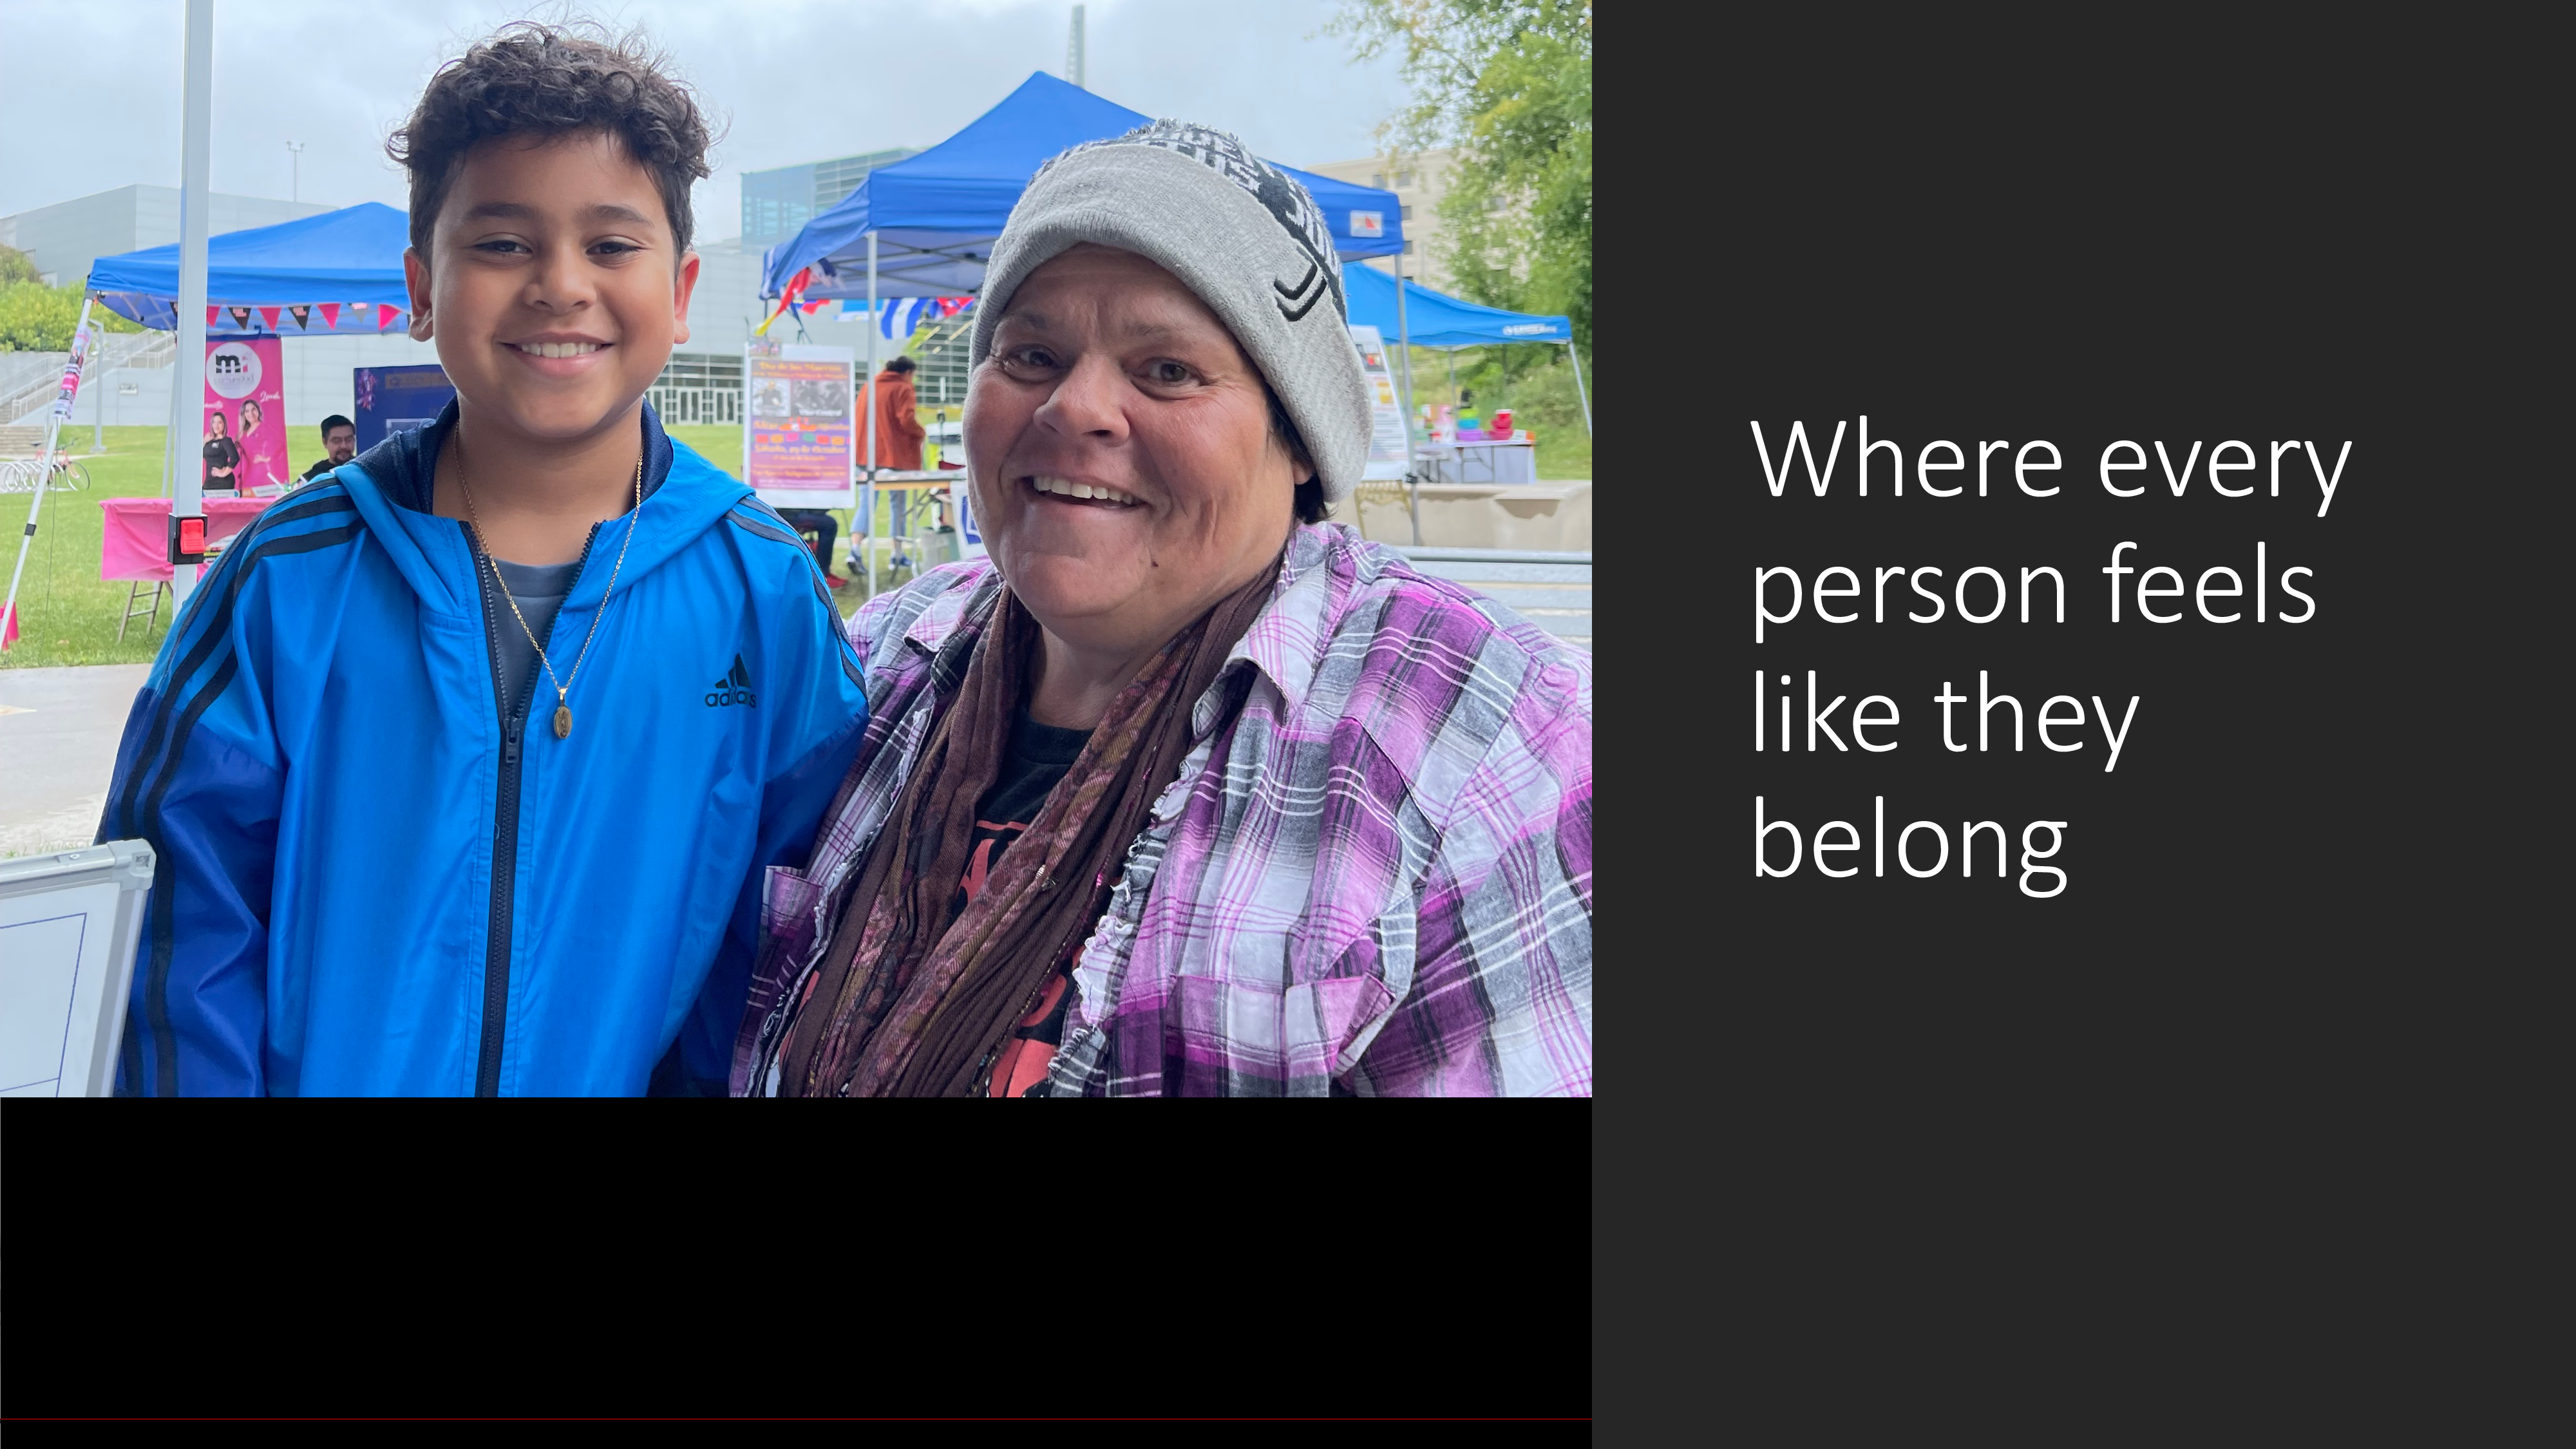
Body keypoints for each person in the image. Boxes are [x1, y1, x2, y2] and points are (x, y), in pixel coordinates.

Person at [733, 122, 1591, 1098]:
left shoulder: (1475, 738)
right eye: (1031, 354)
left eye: (1169, 370)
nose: (1075, 407)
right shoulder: (877, 659)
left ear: (1300, 435)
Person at [99, 21, 869, 1096]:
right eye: (503, 243)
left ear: (683, 289)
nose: (560, 285)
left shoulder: (765, 595)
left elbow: (794, 947)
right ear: (422, 284)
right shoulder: (289, 579)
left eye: (611, 244)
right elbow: (175, 937)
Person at [869, 354, 925, 471]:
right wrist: (921, 432)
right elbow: (907, 420)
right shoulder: (903, 388)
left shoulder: (869, 386)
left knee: (869, 487)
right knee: (897, 486)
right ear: (908, 373)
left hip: (866, 453)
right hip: (893, 453)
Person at [299, 414, 359, 484]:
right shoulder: (313, 477)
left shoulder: (364, 469)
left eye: (349, 440)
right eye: (337, 441)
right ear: (325, 443)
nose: (344, 446)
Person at [201, 408, 240, 491]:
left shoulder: (226, 441)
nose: (216, 425)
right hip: (209, 482)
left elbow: (235, 458)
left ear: (224, 425)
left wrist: (224, 473)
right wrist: (204, 442)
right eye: (214, 422)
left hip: (223, 483)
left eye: (220, 422)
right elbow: (199, 456)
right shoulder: (208, 441)